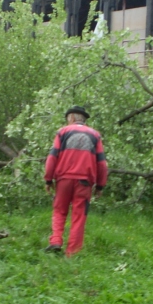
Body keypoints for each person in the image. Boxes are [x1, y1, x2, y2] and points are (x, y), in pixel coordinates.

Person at [44, 105, 108, 256]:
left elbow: (52, 158)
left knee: (59, 210)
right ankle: (72, 252)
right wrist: (100, 185)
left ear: (71, 118)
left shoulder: (62, 132)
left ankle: (56, 241)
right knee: (79, 216)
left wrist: (48, 179)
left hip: (63, 179)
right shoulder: (95, 135)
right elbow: (102, 164)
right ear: (83, 119)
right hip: (84, 182)